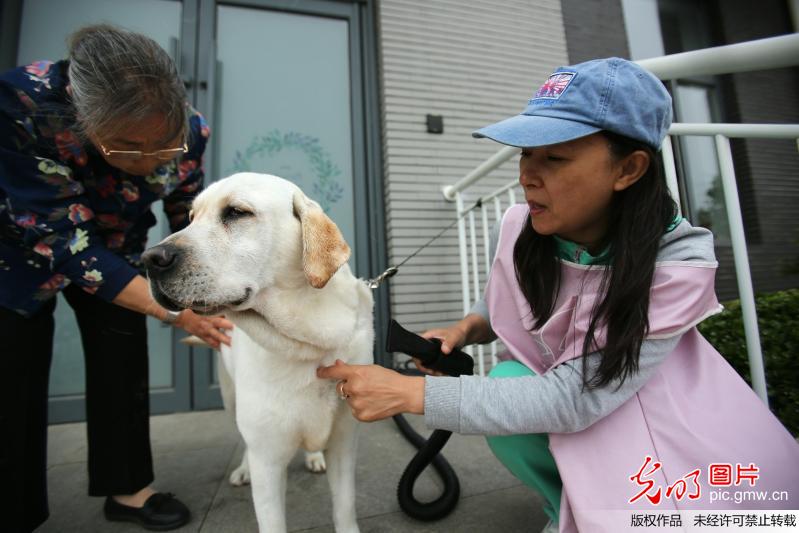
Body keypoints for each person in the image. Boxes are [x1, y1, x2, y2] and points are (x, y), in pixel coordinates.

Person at [317, 57, 799, 532]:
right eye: (526, 152)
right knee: (507, 383)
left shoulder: (676, 264)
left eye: (554, 156)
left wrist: (409, 392)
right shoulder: (519, 227)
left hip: (651, 416)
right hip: (578, 399)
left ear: (628, 169)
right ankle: (567, 507)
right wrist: (466, 328)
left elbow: (575, 398)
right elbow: (506, 299)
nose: (527, 173)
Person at [0, 25, 233, 532]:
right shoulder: (22, 106)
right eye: (129, 150)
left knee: (121, 357)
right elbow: (65, 240)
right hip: (19, 251)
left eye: (164, 148)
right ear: (84, 122)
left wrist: (204, 283)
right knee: (13, 371)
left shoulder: (191, 129)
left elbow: (185, 212)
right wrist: (173, 310)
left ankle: (128, 489)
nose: (151, 162)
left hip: (120, 242)